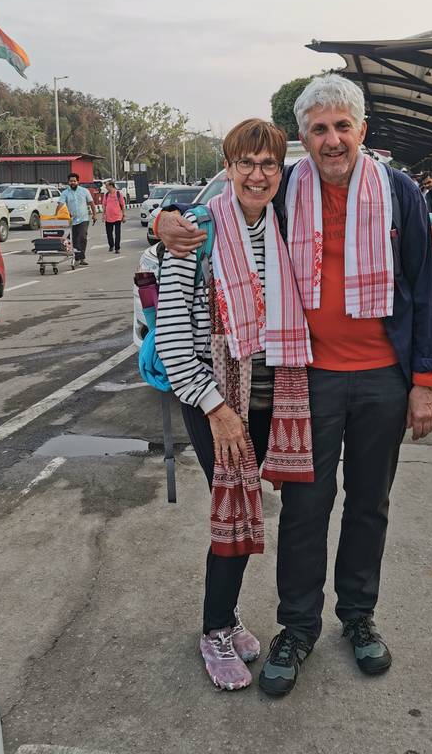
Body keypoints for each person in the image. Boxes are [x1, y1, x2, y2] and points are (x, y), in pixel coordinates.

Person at [157, 74, 432, 697]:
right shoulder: (288, 189)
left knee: (370, 502)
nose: (333, 139)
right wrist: (164, 219)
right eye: (319, 129)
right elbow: (226, 205)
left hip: (382, 379)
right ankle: (297, 626)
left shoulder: (399, 194)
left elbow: (425, 289)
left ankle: (358, 616)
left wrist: (425, 380)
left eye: (343, 126)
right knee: (306, 508)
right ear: (305, 141)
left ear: (362, 130)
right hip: (308, 378)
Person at [155, 119, 313, 692]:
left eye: (268, 163)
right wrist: (216, 407)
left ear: (281, 170)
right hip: (217, 398)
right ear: (227, 167)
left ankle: (228, 618)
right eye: (245, 163)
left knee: (251, 511)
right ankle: (214, 628)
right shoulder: (195, 231)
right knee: (235, 507)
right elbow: (172, 335)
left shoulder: (289, 223)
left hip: (275, 393)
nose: (257, 174)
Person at [58, 172, 97, 266]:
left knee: (82, 237)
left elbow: (91, 203)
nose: (73, 183)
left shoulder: (84, 191)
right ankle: (78, 258)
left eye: (74, 181)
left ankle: (81, 258)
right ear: (68, 182)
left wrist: (94, 215)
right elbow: (60, 205)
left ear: (78, 181)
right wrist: (57, 216)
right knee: (75, 239)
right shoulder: (65, 193)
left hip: (83, 218)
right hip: (72, 220)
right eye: (71, 181)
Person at [102, 180, 126, 253]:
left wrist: (124, 216)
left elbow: (123, 205)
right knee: (109, 233)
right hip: (108, 217)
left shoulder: (118, 194)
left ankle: (117, 248)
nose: (106, 187)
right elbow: (104, 205)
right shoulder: (106, 195)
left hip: (117, 217)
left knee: (117, 233)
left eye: (106, 186)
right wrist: (103, 214)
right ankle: (111, 245)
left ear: (111, 186)